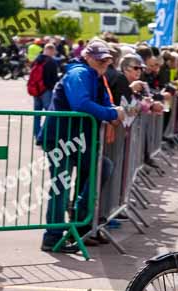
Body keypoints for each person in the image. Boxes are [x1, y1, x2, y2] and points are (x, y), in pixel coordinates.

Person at [40, 39, 125, 252]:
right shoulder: (80, 73)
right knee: (61, 186)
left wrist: (112, 111)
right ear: (87, 56)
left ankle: (76, 222)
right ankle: (53, 237)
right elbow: (81, 104)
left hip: (78, 139)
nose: (104, 63)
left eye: (106, 60)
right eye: (99, 59)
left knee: (102, 167)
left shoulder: (95, 75)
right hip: (61, 137)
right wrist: (112, 114)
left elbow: (104, 102)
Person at [30, 43, 59, 140]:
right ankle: (44, 134)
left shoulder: (37, 60)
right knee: (49, 113)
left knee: (37, 114)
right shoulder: (51, 62)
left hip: (36, 90)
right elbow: (54, 78)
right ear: (51, 51)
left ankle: (36, 133)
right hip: (46, 91)